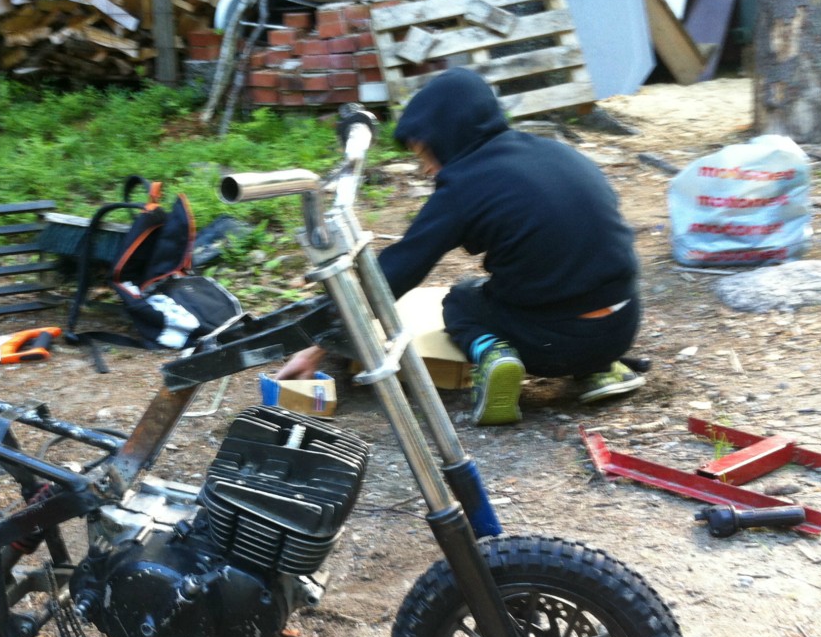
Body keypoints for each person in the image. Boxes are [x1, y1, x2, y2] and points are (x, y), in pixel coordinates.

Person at [275, 68, 646, 425]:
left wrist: (317, 345)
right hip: (623, 324)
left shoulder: (464, 187)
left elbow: (391, 277)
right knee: (568, 277)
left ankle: (493, 355)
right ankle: (602, 370)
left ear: (447, 137)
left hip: (553, 345)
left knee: (461, 301)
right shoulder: (558, 152)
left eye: (425, 154)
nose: (426, 169)